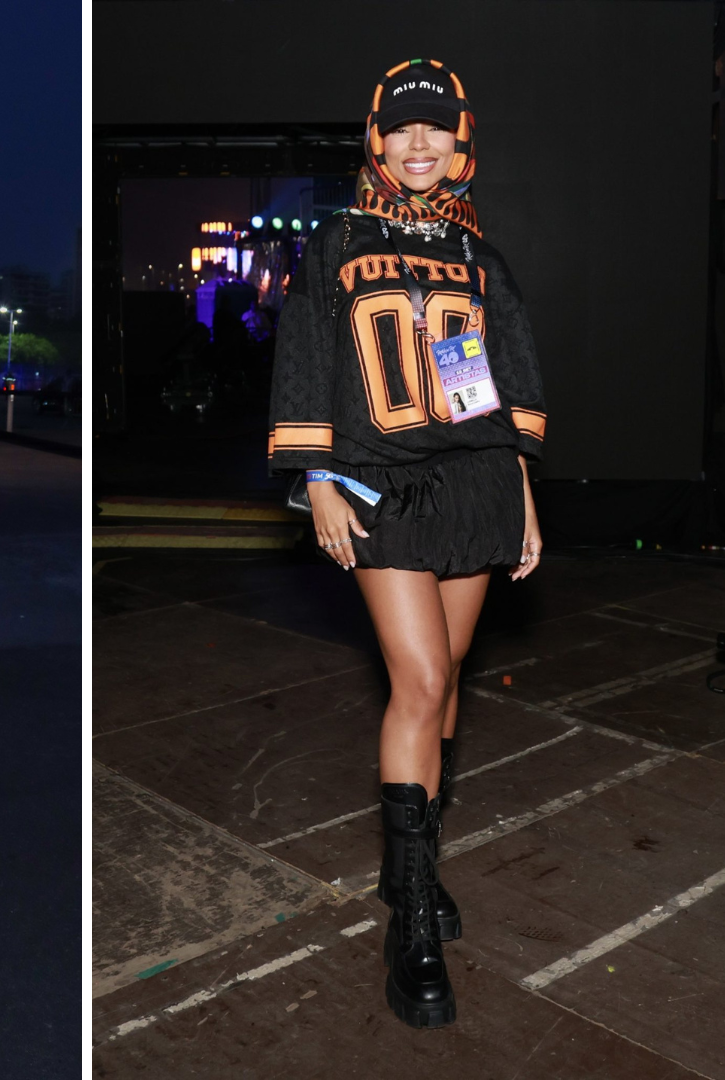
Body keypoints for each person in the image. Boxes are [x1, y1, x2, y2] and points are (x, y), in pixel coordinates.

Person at [268, 59, 548, 1029]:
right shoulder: (338, 241)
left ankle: (409, 868)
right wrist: (313, 481)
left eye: (435, 130)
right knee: (420, 682)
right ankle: (413, 921)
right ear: (377, 140)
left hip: (475, 484)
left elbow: (500, 384)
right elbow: (305, 357)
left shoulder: (481, 257)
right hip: (376, 486)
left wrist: (522, 496)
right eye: (402, 129)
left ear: (458, 143)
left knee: (453, 674)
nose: (418, 144)